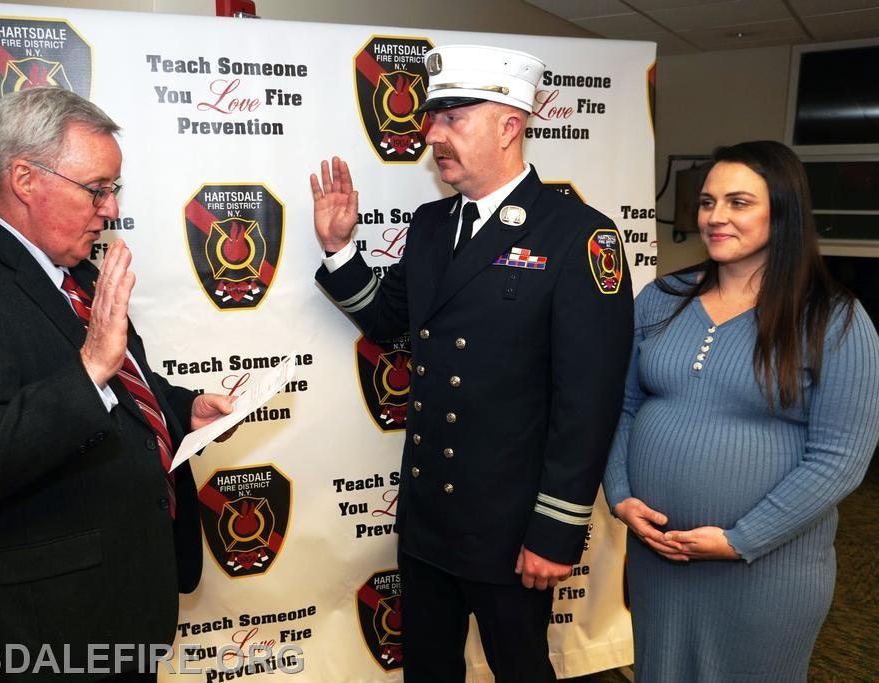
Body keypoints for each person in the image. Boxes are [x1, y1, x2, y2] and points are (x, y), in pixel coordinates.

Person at [310, 45, 634, 681]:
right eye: (433, 119)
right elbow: (387, 320)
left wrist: (556, 530)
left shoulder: (576, 234)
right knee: (427, 668)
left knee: (519, 668)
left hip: (513, 529)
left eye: (453, 118)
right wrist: (339, 247)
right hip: (431, 516)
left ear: (509, 126)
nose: (432, 134)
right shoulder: (432, 225)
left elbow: (588, 401)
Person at [0, 87, 236, 681]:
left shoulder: (76, 271)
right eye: (97, 189)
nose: (110, 209)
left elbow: (122, 385)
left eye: (114, 190)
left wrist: (182, 408)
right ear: (25, 179)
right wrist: (89, 370)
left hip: (124, 601)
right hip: (47, 628)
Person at [603, 140, 879, 681]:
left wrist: (740, 540)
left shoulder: (835, 319)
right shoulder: (661, 298)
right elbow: (622, 407)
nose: (716, 217)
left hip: (769, 566)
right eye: (707, 203)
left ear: (784, 212)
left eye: (739, 202)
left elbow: (841, 455)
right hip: (660, 557)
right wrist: (620, 496)